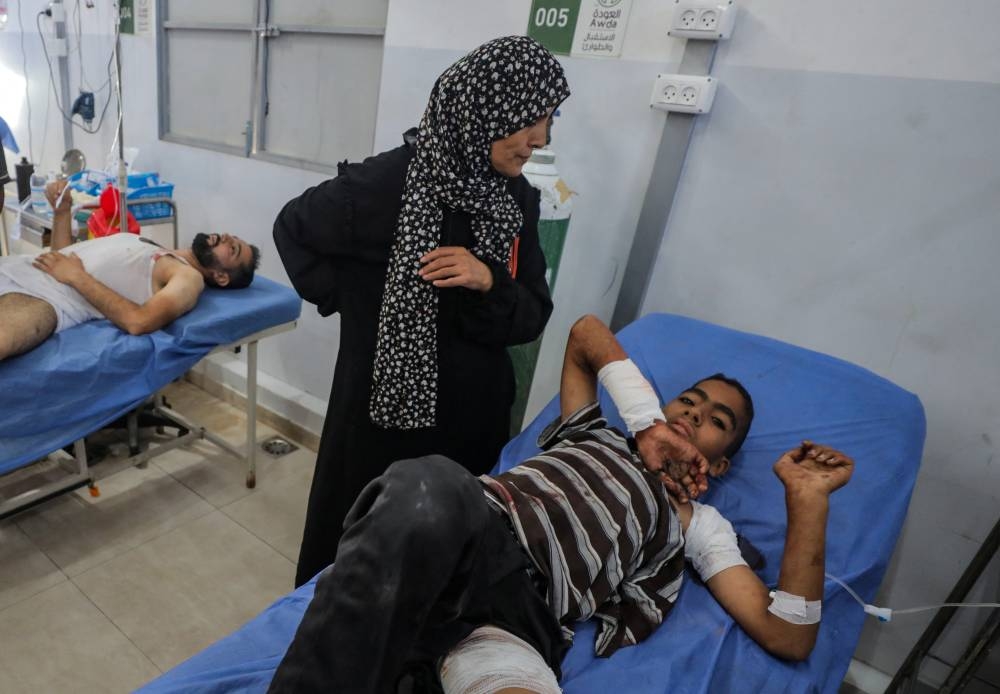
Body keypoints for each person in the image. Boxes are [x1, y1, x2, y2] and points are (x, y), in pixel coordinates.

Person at [267, 314, 854, 693]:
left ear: (721, 463)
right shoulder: (593, 432)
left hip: (523, 620)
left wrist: (808, 501)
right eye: (689, 402)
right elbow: (585, 334)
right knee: (427, 486)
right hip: (470, 534)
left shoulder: (701, 524)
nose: (695, 414)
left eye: (716, 421)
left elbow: (789, 637)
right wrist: (646, 423)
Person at [274, 35, 572, 587]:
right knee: (359, 558)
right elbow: (293, 227)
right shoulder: (381, 185)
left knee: (443, 563)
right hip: (379, 422)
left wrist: (489, 281)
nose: (539, 139)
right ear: (483, 109)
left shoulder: (516, 202)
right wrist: (357, 303)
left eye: (549, 119)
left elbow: (532, 315)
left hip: (470, 423)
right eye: (528, 118)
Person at [0, 180, 261, 361]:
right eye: (232, 236)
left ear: (221, 276)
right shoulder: (154, 248)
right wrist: (62, 212)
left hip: (40, 301)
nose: (226, 237)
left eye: (233, 248)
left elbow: (139, 322)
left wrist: (77, 277)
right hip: (18, 268)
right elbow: (62, 259)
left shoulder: (188, 278)